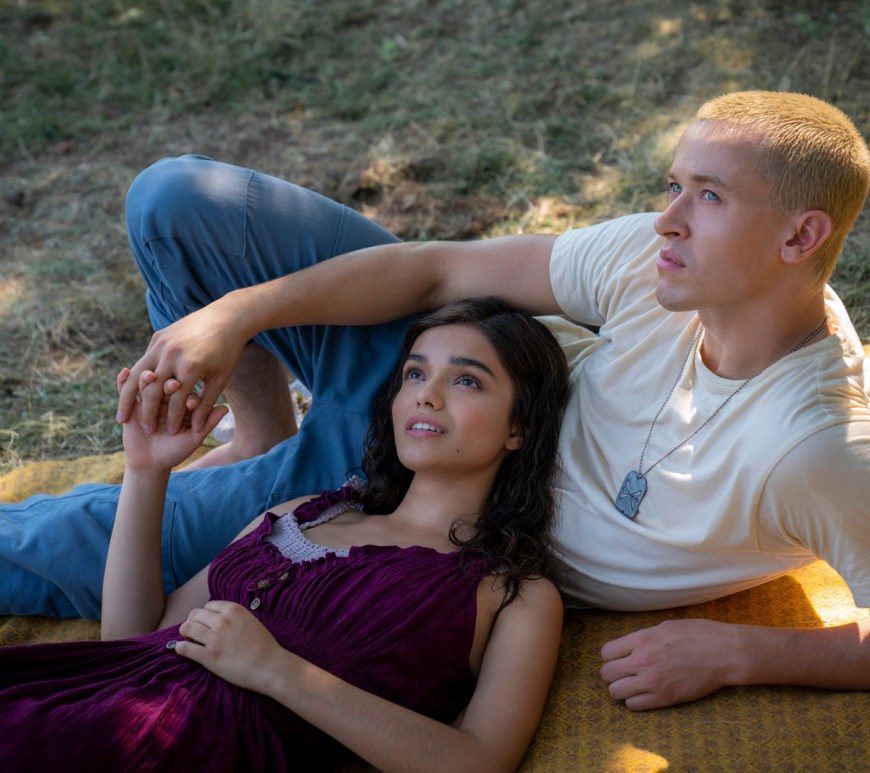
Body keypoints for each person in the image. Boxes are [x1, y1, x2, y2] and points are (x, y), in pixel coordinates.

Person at [1, 91, 868, 711]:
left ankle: (262, 466)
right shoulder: (663, 262)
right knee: (175, 199)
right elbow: (437, 269)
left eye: (708, 196)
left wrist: (742, 651)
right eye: (674, 185)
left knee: (36, 543)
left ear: (801, 235)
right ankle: (261, 428)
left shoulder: (811, 448)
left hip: (393, 495)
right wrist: (237, 315)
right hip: (446, 365)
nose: (667, 219)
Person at [0, 298, 569, 771]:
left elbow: (481, 761)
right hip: (89, 705)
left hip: (184, 750)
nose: (426, 393)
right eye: (415, 373)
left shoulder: (513, 592)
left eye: (467, 380)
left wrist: (276, 671)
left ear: (519, 426)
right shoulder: (306, 513)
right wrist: (146, 471)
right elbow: (132, 640)